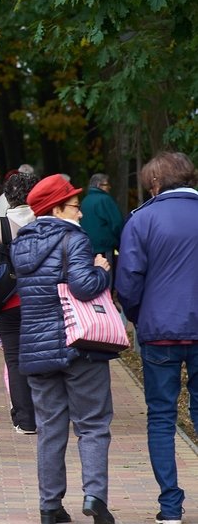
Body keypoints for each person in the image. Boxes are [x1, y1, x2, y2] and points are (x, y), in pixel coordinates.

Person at [10, 174, 115, 524]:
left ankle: (50, 506)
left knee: (50, 428)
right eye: (74, 206)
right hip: (78, 345)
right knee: (93, 424)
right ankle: (95, 497)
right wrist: (102, 271)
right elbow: (84, 288)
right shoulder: (75, 239)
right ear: (56, 208)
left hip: (37, 350)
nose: (81, 214)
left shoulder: (21, 243)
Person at [116, 152, 198, 524]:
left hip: (159, 331)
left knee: (162, 418)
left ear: (154, 183)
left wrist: (138, 317)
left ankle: (170, 507)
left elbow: (128, 282)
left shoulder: (142, 220)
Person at [0, 172, 39, 434]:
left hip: (8, 303)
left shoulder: (0, 226)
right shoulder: (44, 222)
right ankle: (49, 413)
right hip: (40, 302)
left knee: (14, 360)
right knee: (41, 357)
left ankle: (25, 420)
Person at [80, 173, 123, 274]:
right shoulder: (105, 199)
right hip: (105, 247)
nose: (109, 187)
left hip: (87, 248)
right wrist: (121, 243)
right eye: (107, 185)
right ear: (99, 186)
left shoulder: (85, 201)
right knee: (108, 278)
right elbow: (117, 223)